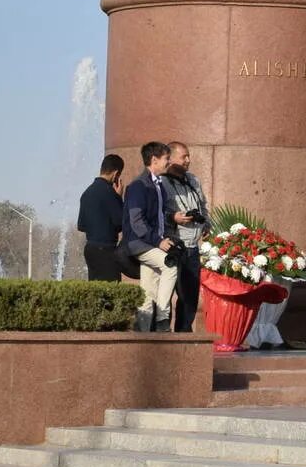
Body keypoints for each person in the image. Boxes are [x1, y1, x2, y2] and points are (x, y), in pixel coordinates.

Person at [123, 141, 179, 331]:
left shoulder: (159, 185)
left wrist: (168, 238)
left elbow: (160, 219)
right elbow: (136, 222)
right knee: (170, 265)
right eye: (166, 159)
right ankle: (163, 318)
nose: (169, 162)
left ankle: (142, 333)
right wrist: (158, 241)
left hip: (152, 243)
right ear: (154, 160)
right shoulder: (139, 186)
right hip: (140, 243)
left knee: (148, 291)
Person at [163, 142, 209, 334]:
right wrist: (173, 217)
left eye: (188, 156)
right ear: (171, 158)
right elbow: (154, 213)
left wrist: (206, 223)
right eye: (184, 157)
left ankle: (184, 336)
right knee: (164, 296)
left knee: (189, 298)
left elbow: (203, 205)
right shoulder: (161, 182)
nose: (188, 161)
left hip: (193, 247)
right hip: (173, 246)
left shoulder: (193, 180)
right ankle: (162, 336)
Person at [76, 155, 128, 282]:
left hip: (90, 249)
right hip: (106, 250)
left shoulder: (86, 193)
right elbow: (121, 222)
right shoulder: (109, 193)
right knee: (111, 291)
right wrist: (119, 198)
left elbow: (81, 225)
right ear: (116, 174)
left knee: (95, 291)